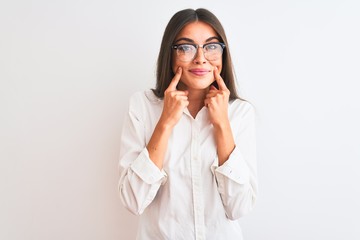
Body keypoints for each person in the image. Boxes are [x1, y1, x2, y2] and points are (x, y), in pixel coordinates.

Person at [118, 8, 258, 240]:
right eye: (186, 47)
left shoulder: (240, 113)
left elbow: (239, 207)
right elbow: (133, 201)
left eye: (212, 46)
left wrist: (222, 124)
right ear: (170, 55)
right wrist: (165, 122)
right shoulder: (142, 106)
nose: (201, 58)